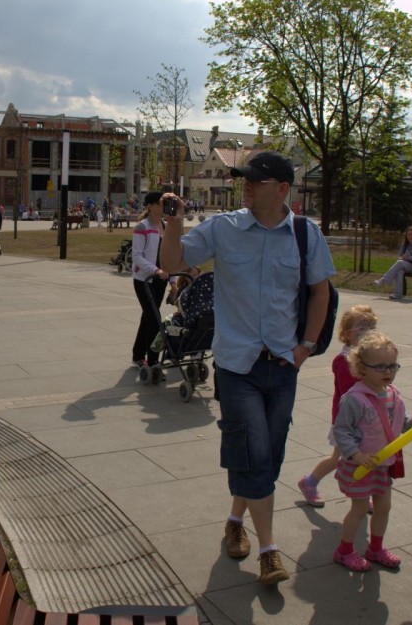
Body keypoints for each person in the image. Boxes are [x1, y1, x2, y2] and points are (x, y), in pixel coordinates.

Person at [159, 150, 335, 586]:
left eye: (256, 180)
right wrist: (175, 226)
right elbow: (173, 264)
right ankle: (269, 550)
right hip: (237, 365)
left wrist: (306, 347)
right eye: (245, 179)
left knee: (268, 455)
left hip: (283, 364)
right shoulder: (225, 227)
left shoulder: (305, 233)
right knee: (254, 451)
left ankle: (236, 519)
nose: (247, 186)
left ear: (282, 189)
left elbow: (320, 291)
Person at [331, 331, 412, 571]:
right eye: (380, 367)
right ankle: (344, 551)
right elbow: (341, 431)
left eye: (392, 366)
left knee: (384, 507)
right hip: (359, 465)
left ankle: (376, 548)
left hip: (383, 465)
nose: (387, 372)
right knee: (359, 509)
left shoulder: (394, 395)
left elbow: (401, 426)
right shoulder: (354, 399)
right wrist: (356, 454)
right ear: (362, 368)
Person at [298, 305, 378, 507]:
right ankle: (309, 482)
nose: (368, 332)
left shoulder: (370, 358)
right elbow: (349, 392)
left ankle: (363, 492)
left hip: (366, 418)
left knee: (364, 456)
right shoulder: (344, 360)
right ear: (347, 334)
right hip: (347, 421)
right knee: (339, 457)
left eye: (372, 327)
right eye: (362, 327)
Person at [130, 191, 170, 368]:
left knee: (148, 317)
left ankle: (138, 355)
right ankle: (153, 362)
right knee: (154, 319)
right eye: (161, 203)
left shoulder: (166, 226)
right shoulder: (142, 227)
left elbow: (169, 256)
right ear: (151, 206)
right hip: (144, 280)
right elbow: (137, 256)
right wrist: (156, 270)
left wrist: (173, 282)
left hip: (161, 279)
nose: (164, 206)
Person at [374, 227, 412, 301]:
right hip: (403, 264)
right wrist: (403, 257)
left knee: (399, 262)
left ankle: (383, 280)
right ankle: (398, 294)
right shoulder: (405, 244)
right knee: (399, 272)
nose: (410, 236)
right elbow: (399, 256)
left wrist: (408, 258)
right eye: (408, 234)